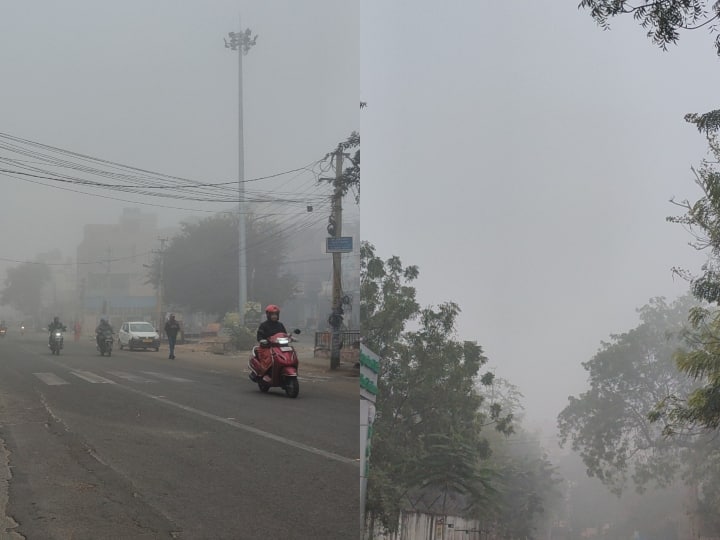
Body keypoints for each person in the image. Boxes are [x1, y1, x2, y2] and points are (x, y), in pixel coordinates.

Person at [255, 305, 288, 381]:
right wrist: (262, 340)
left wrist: (290, 338)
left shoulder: (280, 325)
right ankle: (264, 374)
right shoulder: (263, 325)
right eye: (272, 315)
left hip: (279, 347)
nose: (274, 316)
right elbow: (259, 336)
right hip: (267, 347)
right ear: (268, 315)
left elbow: (284, 334)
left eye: (276, 314)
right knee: (269, 359)